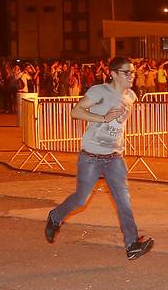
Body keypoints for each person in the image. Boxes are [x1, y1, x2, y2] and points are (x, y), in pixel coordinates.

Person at [44, 57, 155, 260]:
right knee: (81, 199)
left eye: (133, 72)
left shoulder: (131, 96)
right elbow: (75, 112)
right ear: (113, 73)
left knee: (124, 201)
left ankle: (132, 245)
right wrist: (103, 118)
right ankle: (55, 216)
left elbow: (120, 125)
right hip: (91, 157)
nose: (131, 76)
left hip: (114, 157)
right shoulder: (99, 92)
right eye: (126, 72)